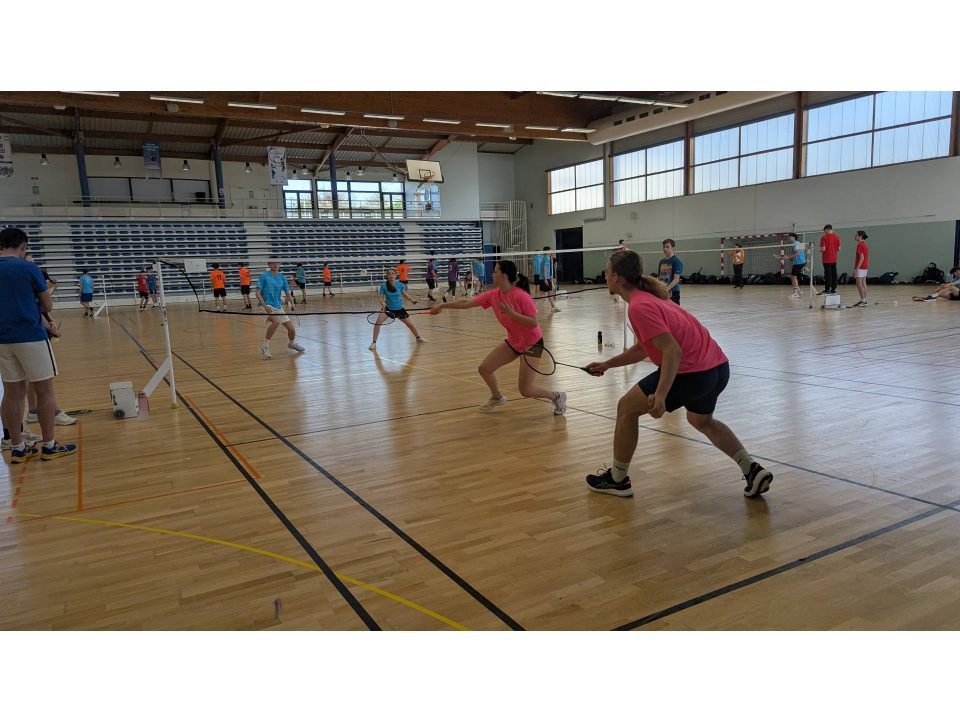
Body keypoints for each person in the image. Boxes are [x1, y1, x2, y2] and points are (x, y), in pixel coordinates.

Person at [584, 250, 772, 498]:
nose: (605, 275)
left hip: (692, 372)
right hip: (717, 368)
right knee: (701, 420)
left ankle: (618, 479)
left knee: (626, 409)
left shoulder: (640, 306)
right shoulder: (650, 298)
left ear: (617, 277)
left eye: (607, 272)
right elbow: (644, 348)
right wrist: (608, 364)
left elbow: (672, 351)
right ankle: (752, 469)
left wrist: (661, 395)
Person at [428, 259, 566, 416]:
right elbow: (467, 302)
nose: (492, 274)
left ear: (504, 276)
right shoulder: (494, 295)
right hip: (515, 341)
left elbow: (533, 323)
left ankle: (557, 396)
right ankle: (497, 397)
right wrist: (442, 306)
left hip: (533, 344)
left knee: (526, 390)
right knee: (485, 369)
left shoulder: (522, 296)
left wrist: (512, 314)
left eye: (495, 271)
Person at [0, 227, 77, 463]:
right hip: (30, 336)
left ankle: (18, 448)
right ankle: (50, 445)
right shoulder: (28, 267)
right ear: (23, 246)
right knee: (44, 391)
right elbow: (47, 305)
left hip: (3, 339)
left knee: (12, 394)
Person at [255, 257, 305, 359]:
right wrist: (264, 306)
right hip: (265, 305)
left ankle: (291, 343)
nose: (275, 265)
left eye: (277, 263)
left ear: (280, 264)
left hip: (277, 306)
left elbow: (287, 292)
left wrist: (292, 303)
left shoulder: (282, 277)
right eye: (273, 263)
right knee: (276, 321)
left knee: (291, 329)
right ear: (269, 264)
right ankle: (264, 346)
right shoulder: (263, 276)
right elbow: (257, 293)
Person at [369, 268, 426, 351]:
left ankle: (418, 338)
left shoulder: (400, 285)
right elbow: (381, 299)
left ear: (395, 275)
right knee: (378, 323)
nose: (391, 275)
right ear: (387, 276)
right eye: (389, 274)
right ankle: (373, 343)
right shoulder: (383, 286)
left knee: (410, 325)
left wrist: (412, 300)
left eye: (393, 274)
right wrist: (383, 304)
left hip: (399, 309)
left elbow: (404, 294)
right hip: (388, 309)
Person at [658, 239, 683, 305]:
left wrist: (667, 289)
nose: (665, 249)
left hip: (673, 292)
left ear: (673, 247)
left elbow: (676, 279)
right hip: (662, 291)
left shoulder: (676, 261)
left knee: (674, 313)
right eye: (663, 247)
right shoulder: (661, 262)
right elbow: (659, 277)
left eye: (667, 247)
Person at [819, 224, 841, 295]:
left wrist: (820, 250)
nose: (824, 232)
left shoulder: (824, 238)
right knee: (834, 274)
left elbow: (823, 249)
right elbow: (839, 249)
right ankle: (833, 289)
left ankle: (827, 289)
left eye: (825, 231)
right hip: (834, 259)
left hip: (826, 259)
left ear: (828, 230)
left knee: (828, 275)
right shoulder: (837, 237)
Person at [784, 233, 806, 298]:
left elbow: (797, 254)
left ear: (793, 237)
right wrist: (789, 258)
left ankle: (796, 294)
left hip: (799, 262)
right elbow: (797, 254)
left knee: (793, 277)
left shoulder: (796, 244)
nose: (788, 238)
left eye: (789, 237)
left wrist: (788, 257)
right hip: (798, 262)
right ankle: (799, 291)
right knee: (793, 277)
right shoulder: (797, 243)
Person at [851, 230, 869, 307]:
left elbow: (861, 258)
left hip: (861, 267)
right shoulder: (865, 244)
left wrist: (856, 269)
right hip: (865, 266)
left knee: (859, 284)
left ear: (860, 236)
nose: (855, 236)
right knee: (863, 283)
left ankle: (863, 301)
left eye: (856, 235)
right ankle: (864, 300)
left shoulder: (860, 245)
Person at [540, 246, 559, 312]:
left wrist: (550, 276)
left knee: (549, 292)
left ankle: (553, 307)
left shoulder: (547, 258)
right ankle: (530, 305)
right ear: (546, 251)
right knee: (540, 293)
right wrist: (545, 279)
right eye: (550, 250)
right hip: (544, 278)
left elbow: (546, 269)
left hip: (547, 277)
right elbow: (544, 268)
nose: (551, 252)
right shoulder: (546, 258)